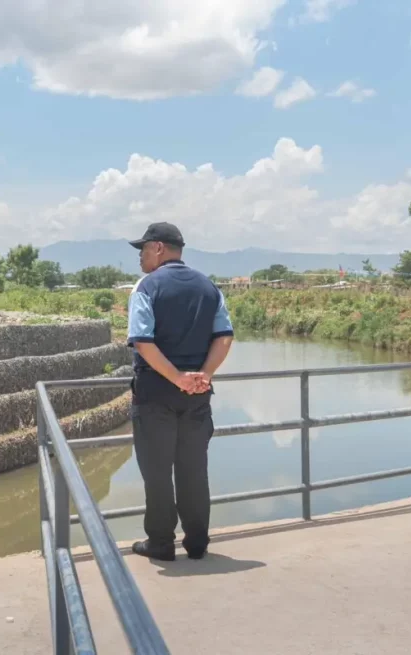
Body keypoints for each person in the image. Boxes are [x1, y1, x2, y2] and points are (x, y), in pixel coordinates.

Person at [126, 222, 234, 561]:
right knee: (193, 470)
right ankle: (197, 541)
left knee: (157, 473)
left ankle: (160, 544)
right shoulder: (209, 287)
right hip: (198, 396)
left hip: (155, 395)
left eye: (143, 250)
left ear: (158, 248)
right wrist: (202, 375)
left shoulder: (147, 287)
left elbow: (143, 342)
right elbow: (224, 336)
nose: (141, 258)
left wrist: (176, 377)